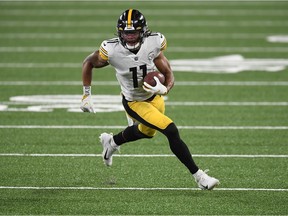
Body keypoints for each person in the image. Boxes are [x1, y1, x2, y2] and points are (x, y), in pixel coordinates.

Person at [80, 9, 220, 190]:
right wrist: (86, 94)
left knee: (146, 132)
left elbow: (168, 72)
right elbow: (88, 62)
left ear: (143, 31)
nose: (129, 37)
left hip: (154, 97)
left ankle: (111, 142)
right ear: (119, 32)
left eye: (134, 32)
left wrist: (165, 88)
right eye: (125, 33)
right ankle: (200, 177)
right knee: (171, 130)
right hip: (134, 102)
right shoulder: (111, 50)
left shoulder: (154, 43)